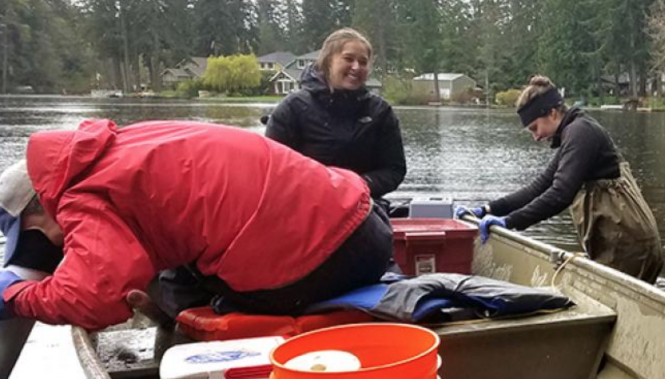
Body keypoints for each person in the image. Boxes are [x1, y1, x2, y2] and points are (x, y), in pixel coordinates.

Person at [0, 119, 393, 330]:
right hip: (369, 225)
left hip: (324, 258)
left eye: (39, 234)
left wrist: (16, 297)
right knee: (174, 267)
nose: (56, 242)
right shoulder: (120, 144)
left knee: (179, 286)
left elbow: (95, 300)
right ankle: (171, 326)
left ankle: (186, 358)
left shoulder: (78, 194)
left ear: (40, 205)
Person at [461, 76, 663, 283]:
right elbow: (538, 187)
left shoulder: (581, 133)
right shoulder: (572, 134)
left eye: (534, 128)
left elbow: (560, 194)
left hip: (629, 247)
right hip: (617, 242)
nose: (536, 137)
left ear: (552, 113)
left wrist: (510, 222)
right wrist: (488, 210)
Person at [265, 28, 406, 200]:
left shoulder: (380, 111)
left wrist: (359, 185)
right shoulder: (293, 108)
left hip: (362, 204)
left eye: (363, 62)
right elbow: (272, 170)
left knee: (375, 227)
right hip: (306, 206)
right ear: (328, 61)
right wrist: (323, 189)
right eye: (348, 59)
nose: (356, 67)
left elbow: (394, 169)